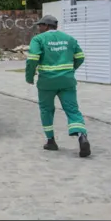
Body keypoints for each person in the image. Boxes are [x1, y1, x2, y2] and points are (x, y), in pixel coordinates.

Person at [25, 14, 91, 157]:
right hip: (67, 81)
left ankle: (51, 141)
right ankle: (82, 136)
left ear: (47, 26)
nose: (38, 28)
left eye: (40, 25)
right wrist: (70, 70)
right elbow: (80, 57)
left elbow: (32, 60)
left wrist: (29, 77)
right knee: (73, 110)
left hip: (46, 83)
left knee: (46, 110)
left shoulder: (38, 39)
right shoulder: (69, 39)